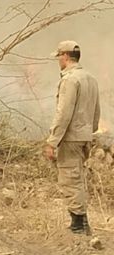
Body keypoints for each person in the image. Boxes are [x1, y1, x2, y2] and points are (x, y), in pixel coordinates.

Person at [43, 41, 100, 235]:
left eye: (59, 56)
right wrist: (89, 132)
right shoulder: (90, 78)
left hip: (71, 137)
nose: (58, 60)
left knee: (69, 178)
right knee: (78, 178)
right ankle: (82, 222)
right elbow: (96, 112)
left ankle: (78, 225)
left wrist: (52, 141)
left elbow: (63, 113)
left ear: (65, 56)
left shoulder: (69, 79)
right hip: (84, 136)